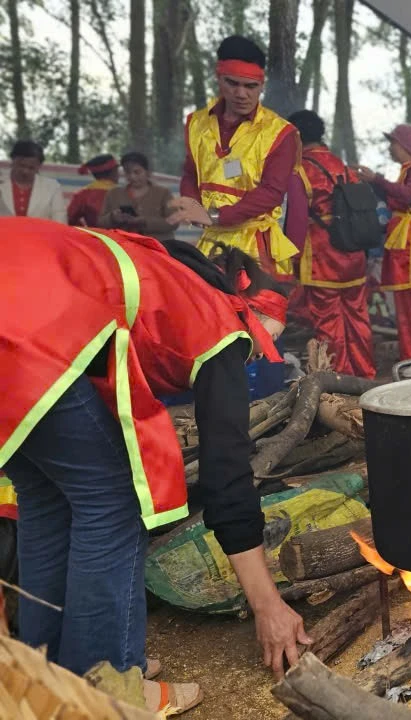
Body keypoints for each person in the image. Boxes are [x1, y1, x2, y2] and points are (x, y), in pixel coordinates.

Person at [0, 219, 310, 713]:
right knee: (114, 501)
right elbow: (226, 475)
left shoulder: (164, 272)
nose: (248, 360)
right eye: (258, 347)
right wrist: (267, 604)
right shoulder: (220, 322)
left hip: (20, 307)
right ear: (249, 314)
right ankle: (106, 687)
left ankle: (49, 673)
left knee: (47, 497)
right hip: (26, 326)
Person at [169, 35, 305, 281]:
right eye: (232, 83)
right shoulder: (196, 123)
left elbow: (272, 192)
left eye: (250, 86)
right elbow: (190, 171)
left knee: (251, 306)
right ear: (218, 78)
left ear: (262, 85)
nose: (241, 94)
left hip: (255, 249)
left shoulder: (279, 133)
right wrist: (191, 203)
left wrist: (214, 216)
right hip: (211, 244)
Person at [290, 110, 376, 378]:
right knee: (357, 316)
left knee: (328, 320)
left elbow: (296, 218)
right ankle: (364, 374)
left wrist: (289, 258)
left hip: (322, 256)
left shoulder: (301, 170)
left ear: (296, 136)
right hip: (353, 251)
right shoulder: (343, 166)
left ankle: (339, 379)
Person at [354, 124, 411, 361]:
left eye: (393, 142)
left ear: (405, 146)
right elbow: (407, 200)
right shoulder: (408, 171)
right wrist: (373, 182)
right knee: (405, 310)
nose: (390, 148)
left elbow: (410, 197)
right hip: (405, 248)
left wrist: (377, 179)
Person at [101, 152, 179, 242]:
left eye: (137, 172)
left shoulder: (163, 193)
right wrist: (113, 218)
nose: (132, 177)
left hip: (158, 245)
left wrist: (144, 222)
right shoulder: (114, 193)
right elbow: (100, 223)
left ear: (147, 172)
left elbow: (174, 222)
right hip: (124, 245)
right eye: (127, 173)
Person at [0, 140, 66, 222]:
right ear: (13, 160)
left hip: (41, 230)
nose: (25, 171)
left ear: (39, 166)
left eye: (31, 168)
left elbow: (60, 221)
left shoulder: (52, 187)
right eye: (21, 165)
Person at [67, 154, 120, 227]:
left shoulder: (82, 194)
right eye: (117, 170)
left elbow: (69, 218)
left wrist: (86, 230)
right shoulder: (124, 193)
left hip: (94, 233)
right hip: (119, 234)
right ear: (113, 172)